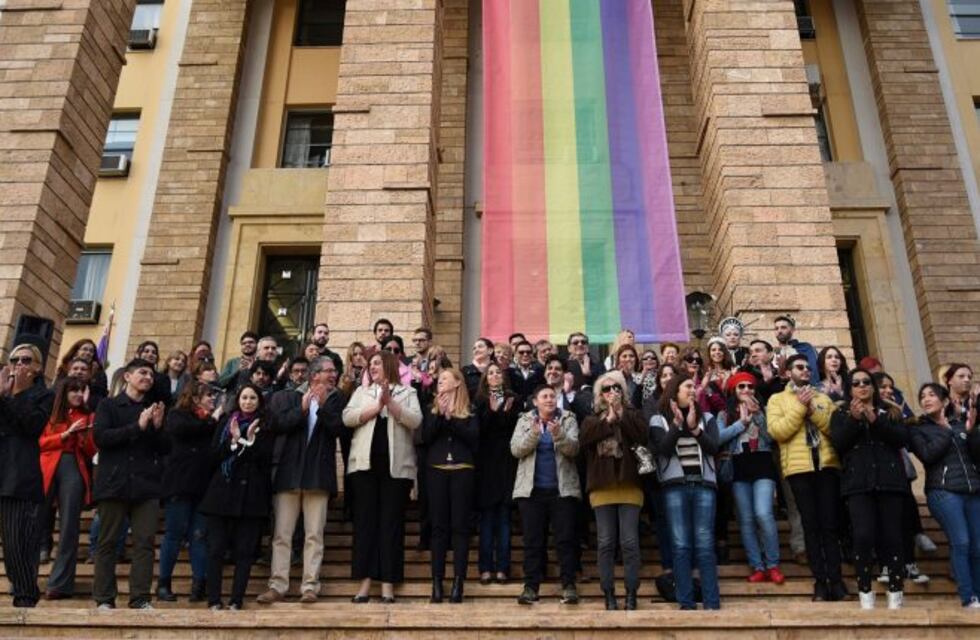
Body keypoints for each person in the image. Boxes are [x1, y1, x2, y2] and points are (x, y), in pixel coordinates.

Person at [257, 356, 344, 604]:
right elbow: (278, 425)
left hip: (318, 475)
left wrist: (324, 406)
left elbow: (338, 428)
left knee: (314, 534)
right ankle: (277, 585)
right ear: (314, 374)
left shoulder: (336, 398)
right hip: (289, 474)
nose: (334, 375)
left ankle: (310, 586)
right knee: (282, 534)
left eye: (334, 372)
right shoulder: (289, 396)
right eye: (329, 371)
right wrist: (302, 409)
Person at [343, 352, 422, 604]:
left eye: (377, 363)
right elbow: (348, 418)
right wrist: (376, 406)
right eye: (370, 364)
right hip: (364, 468)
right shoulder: (361, 392)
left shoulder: (408, 392)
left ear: (388, 365)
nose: (372, 367)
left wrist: (391, 403)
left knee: (391, 525)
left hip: (396, 470)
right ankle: (365, 583)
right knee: (366, 525)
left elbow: (415, 420)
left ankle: (388, 583)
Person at [92, 358, 168, 610]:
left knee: (145, 544)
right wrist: (137, 427)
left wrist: (157, 428)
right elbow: (101, 438)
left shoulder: (152, 408)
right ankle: (104, 598)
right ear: (127, 376)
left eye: (151, 374)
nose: (148, 377)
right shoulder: (108, 405)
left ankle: (140, 598)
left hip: (146, 486)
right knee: (108, 543)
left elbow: (165, 450)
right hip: (114, 483)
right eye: (142, 372)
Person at [830, 368, 909, 609]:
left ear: (874, 387)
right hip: (858, 484)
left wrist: (875, 420)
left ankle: (896, 591)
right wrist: (855, 420)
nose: (862, 386)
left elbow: (901, 440)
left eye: (866, 382)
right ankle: (865, 590)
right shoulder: (841, 413)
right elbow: (839, 444)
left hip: (889, 482)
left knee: (893, 536)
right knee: (863, 536)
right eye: (856, 383)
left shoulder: (891, 412)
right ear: (849, 388)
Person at [767, 354, 844, 602]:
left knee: (830, 526)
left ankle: (837, 580)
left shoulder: (823, 398)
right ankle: (820, 581)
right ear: (788, 372)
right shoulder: (777, 399)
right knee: (810, 526)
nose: (806, 371)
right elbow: (778, 432)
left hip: (827, 466)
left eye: (808, 368)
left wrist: (811, 410)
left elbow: (835, 430)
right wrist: (800, 408)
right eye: (800, 367)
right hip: (799, 470)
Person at [649, 374, 722, 611]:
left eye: (694, 386)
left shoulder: (708, 418)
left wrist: (694, 429)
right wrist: (678, 426)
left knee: (704, 545)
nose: (693, 389)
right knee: (680, 545)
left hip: (704, 485)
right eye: (687, 386)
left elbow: (714, 447)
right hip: (674, 486)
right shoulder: (659, 419)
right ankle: (686, 603)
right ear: (674, 391)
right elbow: (663, 450)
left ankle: (711, 603)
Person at [199, 384, 273, 610]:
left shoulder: (266, 426)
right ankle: (214, 599)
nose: (248, 402)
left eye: (252, 398)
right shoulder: (225, 423)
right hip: (221, 495)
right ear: (237, 400)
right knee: (215, 550)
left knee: (244, 553)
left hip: (250, 498)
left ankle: (236, 600)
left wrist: (248, 441)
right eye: (244, 397)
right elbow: (213, 457)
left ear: (259, 401)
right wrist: (233, 441)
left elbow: (264, 460)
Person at [579, 371, 647, 610]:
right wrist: (608, 419)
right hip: (601, 487)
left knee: (629, 542)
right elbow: (584, 440)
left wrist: (620, 416)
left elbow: (642, 436)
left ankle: (631, 594)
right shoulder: (591, 420)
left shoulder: (633, 414)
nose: (612, 393)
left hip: (629, 485)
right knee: (606, 542)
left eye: (616, 388)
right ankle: (608, 594)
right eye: (607, 389)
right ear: (600, 394)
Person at [909, 383, 980, 608]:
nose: (926, 399)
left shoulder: (960, 424)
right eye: (923, 396)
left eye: (932, 395)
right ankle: (968, 597)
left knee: (978, 547)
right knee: (961, 542)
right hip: (943, 491)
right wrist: (946, 431)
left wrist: (971, 431)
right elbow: (928, 455)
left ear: (945, 400)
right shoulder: (918, 429)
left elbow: (975, 456)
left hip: (972, 490)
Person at [511, 385, 581, 606]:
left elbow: (574, 449)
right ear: (535, 401)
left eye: (553, 396)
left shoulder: (568, 419)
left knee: (565, 541)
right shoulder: (524, 421)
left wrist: (558, 434)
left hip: (562, 491)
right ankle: (530, 587)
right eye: (544, 396)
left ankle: (569, 586)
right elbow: (516, 449)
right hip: (531, 492)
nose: (549, 399)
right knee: (533, 542)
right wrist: (534, 434)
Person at [717, 372, 783, 585]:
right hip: (738, 467)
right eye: (741, 387)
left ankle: (772, 564)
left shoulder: (764, 410)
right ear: (734, 391)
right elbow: (717, 438)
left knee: (763, 514)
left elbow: (772, 438)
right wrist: (741, 423)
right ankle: (757, 565)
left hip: (762, 465)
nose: (746, 390)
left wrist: (758, 417)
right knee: (745, 520)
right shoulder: (724, 414)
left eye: (750, 387)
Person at [157, 380, 220, 603]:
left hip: (203, 487)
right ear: (195, 398)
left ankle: (199, 584)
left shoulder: (213, 422)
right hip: (180, 485)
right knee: (174, 535)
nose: (213, 399)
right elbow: (183, 430)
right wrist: (211, 420)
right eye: (208, 395)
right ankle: (163, 583)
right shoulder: (178, 416)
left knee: (199, 536)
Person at [0, 344, 53, 607]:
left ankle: (25, 597)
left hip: (18, 478)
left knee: (16, 544)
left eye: (25, 360)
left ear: (37, 368)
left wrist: (9, 398)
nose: (18, 364)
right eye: (14, 359)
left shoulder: (42, 396)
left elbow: (31, 426)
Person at [422, 369, 479, 603]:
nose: (440, 382)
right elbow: (426, 437)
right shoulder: (430, 408)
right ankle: (436, 582)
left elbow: (473, 438)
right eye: (438, 380)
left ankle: (458, 582)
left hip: (462, 471)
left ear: (457, 383)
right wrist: (439, 416)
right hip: (436, 471)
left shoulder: (471, 410)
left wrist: (451, 419)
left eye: (444, 378)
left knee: (460, 529)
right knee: (438, 528)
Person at [38, 377, 97, 600]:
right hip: (46, 468)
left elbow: (92, 450)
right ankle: (24, 578)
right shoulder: (50, 414)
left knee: (69, 527)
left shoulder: (89, 416)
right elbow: (40, 443)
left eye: (82, 391)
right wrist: (63, 435)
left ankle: (60, 584)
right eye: (74, 391)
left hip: (74, 466)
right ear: (64, 392)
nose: (79, 395)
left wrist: (82, 434)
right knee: (35, 524)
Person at [475, 363, 520, 585]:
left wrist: (503, 412)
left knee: (503, 520)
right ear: (485, 378)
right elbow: (479, 431)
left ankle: (502, 568)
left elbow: (512, 429)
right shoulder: (480, 400)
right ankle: (485, 568)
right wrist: (492, 412)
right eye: (490, 372)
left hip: (506, 464)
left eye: (497, 372)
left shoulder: (513, 399)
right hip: (485, 466)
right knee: (486, 521)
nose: (494, 375)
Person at [772, 315, 819, 383]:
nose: (779, 331)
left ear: (792, 330)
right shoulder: (773, 352)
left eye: (783, 327)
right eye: (776, 328)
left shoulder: (805, 348)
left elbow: (813, 372)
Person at [135, 341, 173, 406]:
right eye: (146, 351)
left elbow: (166, 402)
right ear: (138, 354)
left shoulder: (163, 379)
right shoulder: (123, 372)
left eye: (154, 352)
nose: (150, 354)